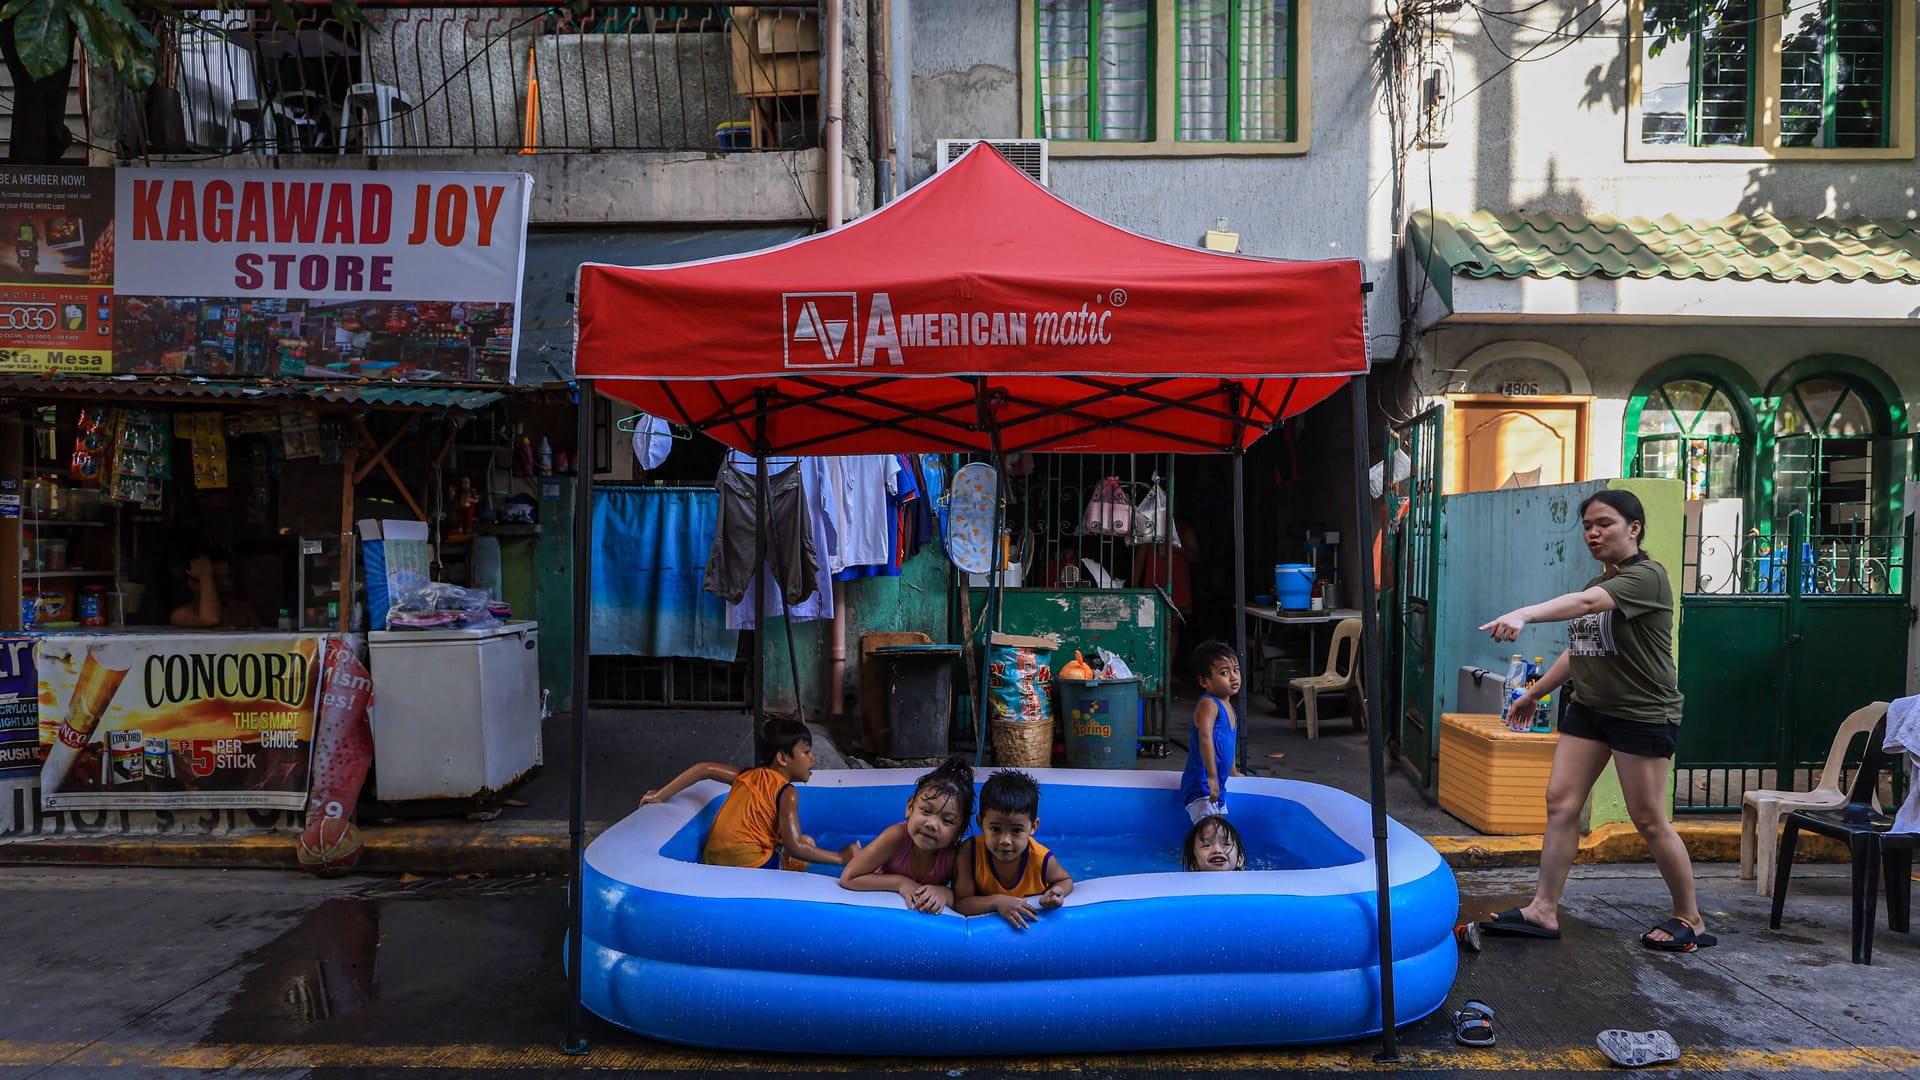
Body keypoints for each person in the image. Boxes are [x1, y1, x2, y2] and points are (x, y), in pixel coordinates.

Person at [1477, 490, 1713, 952]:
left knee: (1647, 818)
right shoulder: (1601, 581)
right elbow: (1581, 645)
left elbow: (1585, 607)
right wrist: (1533, 692)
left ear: (1634, 528)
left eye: (1604, 523)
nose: (1593, 532)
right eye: (1587, 525)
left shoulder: (1647, 578)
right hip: (1590, 710)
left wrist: (1524, 612)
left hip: (1641, 713)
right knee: (1560, 803)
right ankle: (1543, 910)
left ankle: (1691, 917)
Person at [639, 718, 861, 871]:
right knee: (806, 846)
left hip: (712, 858)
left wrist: (661, 795)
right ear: (783, 758)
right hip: (750, 864)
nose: (812, 758)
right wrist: (840, 858)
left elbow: (703, 768)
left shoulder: (745, 775)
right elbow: (795, 846)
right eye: (806, 752)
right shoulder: (787, 793)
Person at [839, 757, 973, 913]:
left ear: (959, 832)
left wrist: (944, 893)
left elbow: (964, 901)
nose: (931, 824)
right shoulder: (897, 836)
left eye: (947, 820)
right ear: (910, 807)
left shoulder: (954, 856)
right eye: (926, 811)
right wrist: (900, 883)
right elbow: (849, 878)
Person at [954, 769, 1074, 928]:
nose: (1005, 840)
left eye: (1016, 830)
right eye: (995, 829)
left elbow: (1065, 880)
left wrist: (1057, 891)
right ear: (981, 823)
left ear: (1033, 827)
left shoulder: (1041, 859)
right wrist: (997, 901)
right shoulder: (970, 852)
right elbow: (961, 903)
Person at [1179, 640, 1242, 823]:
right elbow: (1205, 737)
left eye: (1236, 670)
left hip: (1217, 785)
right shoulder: (1208, 704)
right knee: (1212, 833)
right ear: (1204, 681)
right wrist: (1212, 777)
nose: (1233, 677)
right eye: (1224, 672)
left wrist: (1233, 771)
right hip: (1202, 784)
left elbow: (1227, 745)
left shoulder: (1229, 707)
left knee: (1218, 835)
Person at [169, 553, 260, 630]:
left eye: (228, 577)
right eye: (215, 578)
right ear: (193, 584)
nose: (226, 584)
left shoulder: (242, 609)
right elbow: (211, 621)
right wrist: (205, 576)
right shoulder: (182, 614)